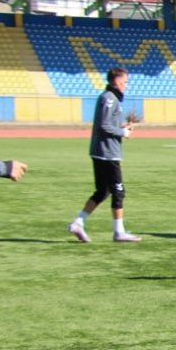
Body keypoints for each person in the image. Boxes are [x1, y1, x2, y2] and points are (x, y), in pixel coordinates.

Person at [68, 67, 140, 243]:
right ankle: (119, 232)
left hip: (103, 151)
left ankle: (78, 222)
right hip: (107, 153)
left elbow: (108, 124)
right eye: (124, 82)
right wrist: (123, 133)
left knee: (103, 191)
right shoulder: (109, 98)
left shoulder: (110, 98)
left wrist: (123, 127)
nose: (126, 86)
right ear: (115, 81)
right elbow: (104, 126)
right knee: (118, 191)